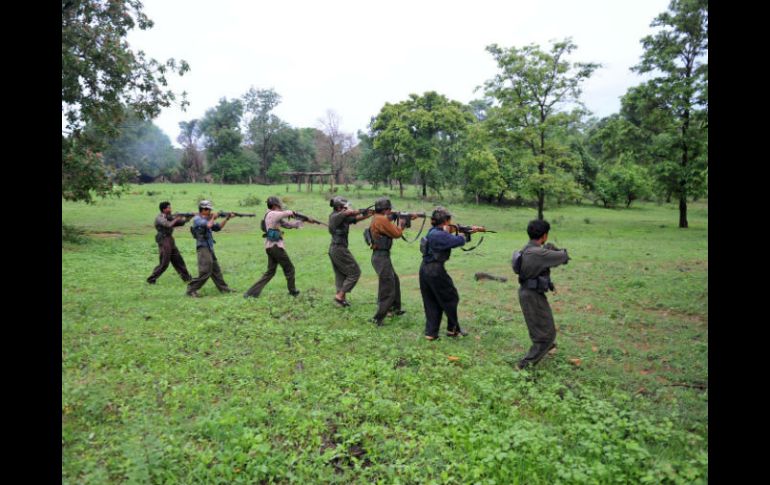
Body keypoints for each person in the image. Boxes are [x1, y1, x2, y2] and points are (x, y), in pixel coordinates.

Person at [512, 219, 570, 370]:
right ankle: (524, 366)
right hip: (532, 296)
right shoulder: (539, 253)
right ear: (544, 235)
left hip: (530, 293)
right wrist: (554, 250)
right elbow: (564, 257)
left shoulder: (527, 249)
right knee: (545, 336)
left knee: (546, 325)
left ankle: (548, 346)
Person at [419, 207, 482, 340]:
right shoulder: (439, 235)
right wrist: (465, 233)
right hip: (435, 271)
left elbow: (448, 235)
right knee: (451, 298)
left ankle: (431, 333)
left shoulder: (434, 231)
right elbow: (458, 241)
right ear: (447, 221)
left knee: (431, 301)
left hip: (425, 270)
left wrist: (463, 230)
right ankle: (453, 329)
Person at [367, 197, 417, 326]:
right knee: (387, 287)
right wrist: (402, 224)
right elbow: (396, 234)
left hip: (381, 256)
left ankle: (395, 309)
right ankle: (378, 318)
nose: (391, 211)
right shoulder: (382, 219)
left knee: (394, 280)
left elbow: (387, 222)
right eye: (389, 209)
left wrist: (402, 217)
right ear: (385, 209)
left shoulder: (378, 217)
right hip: (381, 256)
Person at [243, 196, 302, 298]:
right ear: (275, 205)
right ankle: (293, 291)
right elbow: (285, 213)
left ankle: (251, 293)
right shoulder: (272, 214)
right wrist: (293, 212)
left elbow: (286, 224)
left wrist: (298, 223)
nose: (281, 206)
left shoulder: (272, 216)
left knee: (270, 272)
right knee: (290, 269)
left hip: (270, 247)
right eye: (279, 204)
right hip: (276, 247)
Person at [328, 196, 373, 307]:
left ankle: (340, 299)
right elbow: (349, 213)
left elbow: (355, 218)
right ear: (339, 207)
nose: (347, 208)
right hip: (338, 248)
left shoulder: (341, 217)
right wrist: (360, 210)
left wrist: (369, 214)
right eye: (345, 206)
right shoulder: (335, 216)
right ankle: (339, 296)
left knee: (341, 275)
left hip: (336, 248)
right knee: (355, 272)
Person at [185, 200, 236, 297]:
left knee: (216, 270)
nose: (209, 211)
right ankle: (191, 289)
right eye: (207, 209)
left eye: (209, 210)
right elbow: (208, 225)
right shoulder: (197, 219)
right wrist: (213, 217)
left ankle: (224, 289)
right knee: (206, 270)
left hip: (209, 247)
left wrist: (227, 218)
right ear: (202, 209)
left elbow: (218, 228)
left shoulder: (207, 219)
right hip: (203, 247)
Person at [146, 201, 192, 285]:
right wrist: (176, 218)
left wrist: (188, 218)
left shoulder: (169, 216)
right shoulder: (159, 218)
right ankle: (151, 279)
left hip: (170, 239)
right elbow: (168, 225)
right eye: (169, 208)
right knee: (164, 262)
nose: (171, 209)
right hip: (163, 240)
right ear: (164, 209)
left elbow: (181, 223)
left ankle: (187, 279)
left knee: (178, 260)